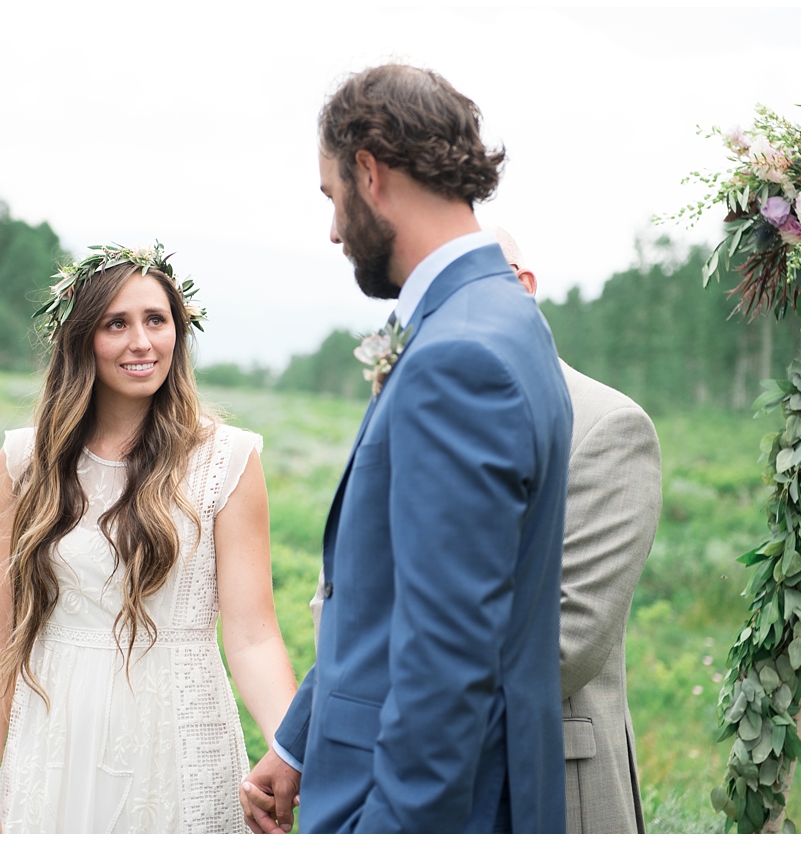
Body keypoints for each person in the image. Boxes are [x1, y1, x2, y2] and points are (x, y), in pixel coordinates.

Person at [241, 63, 573, 833]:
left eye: (331, 197)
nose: (332, 229)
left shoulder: (460, 357)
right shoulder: (505, 318)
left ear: (369, 171)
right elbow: (384, 598)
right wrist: (299, 737)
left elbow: (447, 658)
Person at [0, 245, 295, 833]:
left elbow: (252, 635)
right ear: (81, 338)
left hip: (179, 734)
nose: (142, 341)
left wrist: (290, 750)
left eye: (156, 320)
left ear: (178, 331)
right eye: (117, 323)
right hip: (56, 741)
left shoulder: (227, 459)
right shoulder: (25, 459)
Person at [491, 227, 662, 833]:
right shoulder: (412, 413)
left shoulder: (607, 426)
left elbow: (568, 642)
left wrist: (395, 692)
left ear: (523, 287)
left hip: (552, 781)